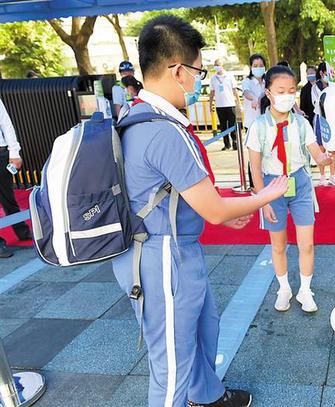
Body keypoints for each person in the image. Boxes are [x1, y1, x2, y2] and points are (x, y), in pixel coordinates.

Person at [111, 15, 288, 407]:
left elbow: (196, 194)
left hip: (171, 249)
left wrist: (228, 206)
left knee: (202, 329)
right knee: (171, 364)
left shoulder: (141, 116)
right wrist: (268, 194)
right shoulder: (163, 130)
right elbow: (214, 210)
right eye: (197, 71)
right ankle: (190, 397)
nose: (199, 81)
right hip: (161, 256)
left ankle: (206, 395)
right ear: (177, 70)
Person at [247, 65, 332, 313]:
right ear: (269, 92)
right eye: (281, 90)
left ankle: (305, 290)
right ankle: (284, 288)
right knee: (278, 244)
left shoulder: (301, 124)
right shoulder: (259, 126)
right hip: (272, 187)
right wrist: (263, 201)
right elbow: (254, 167)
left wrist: (327, 157)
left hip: (301, 184)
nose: (287, 95)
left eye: (291, 90)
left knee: (307, 243)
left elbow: (317, 154)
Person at [0, 97, 33, 258]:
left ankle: (22, 231)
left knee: (8, 196)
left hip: (1, 151)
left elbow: (5, 123)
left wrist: (14, 152)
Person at [242, 53, 267, 190]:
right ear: (251, 67)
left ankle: (264, 181)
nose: (259, 68)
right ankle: (254, 185)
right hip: (252, 124)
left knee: (265, 154)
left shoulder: (267, 81)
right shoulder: (248, 81)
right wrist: (254, 98)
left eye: (261, 65)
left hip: (265, 123)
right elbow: (246, 92)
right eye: (255, 66)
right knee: (254, 155)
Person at [312, 62, 335, 186]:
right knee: (321, 148)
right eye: (327, 73)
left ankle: (332, 176)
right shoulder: (315, 87)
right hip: (320, 119)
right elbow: (319, 102)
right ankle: (322, 176)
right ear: (322, 73)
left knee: (332, 148)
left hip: (332, 118)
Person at [209, 59, 241, 151]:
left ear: (222, 65)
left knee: (232, 125)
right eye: (215, 65)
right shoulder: (213, 78)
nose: (216, 66)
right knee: (223, 127)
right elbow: (212, 92)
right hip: (219, 106)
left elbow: (235, 90)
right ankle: (227, 145)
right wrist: (210, 104)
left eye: (217, 64)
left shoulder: (229, 76)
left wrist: (238, 102)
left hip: (230, 104)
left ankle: (235, 144)